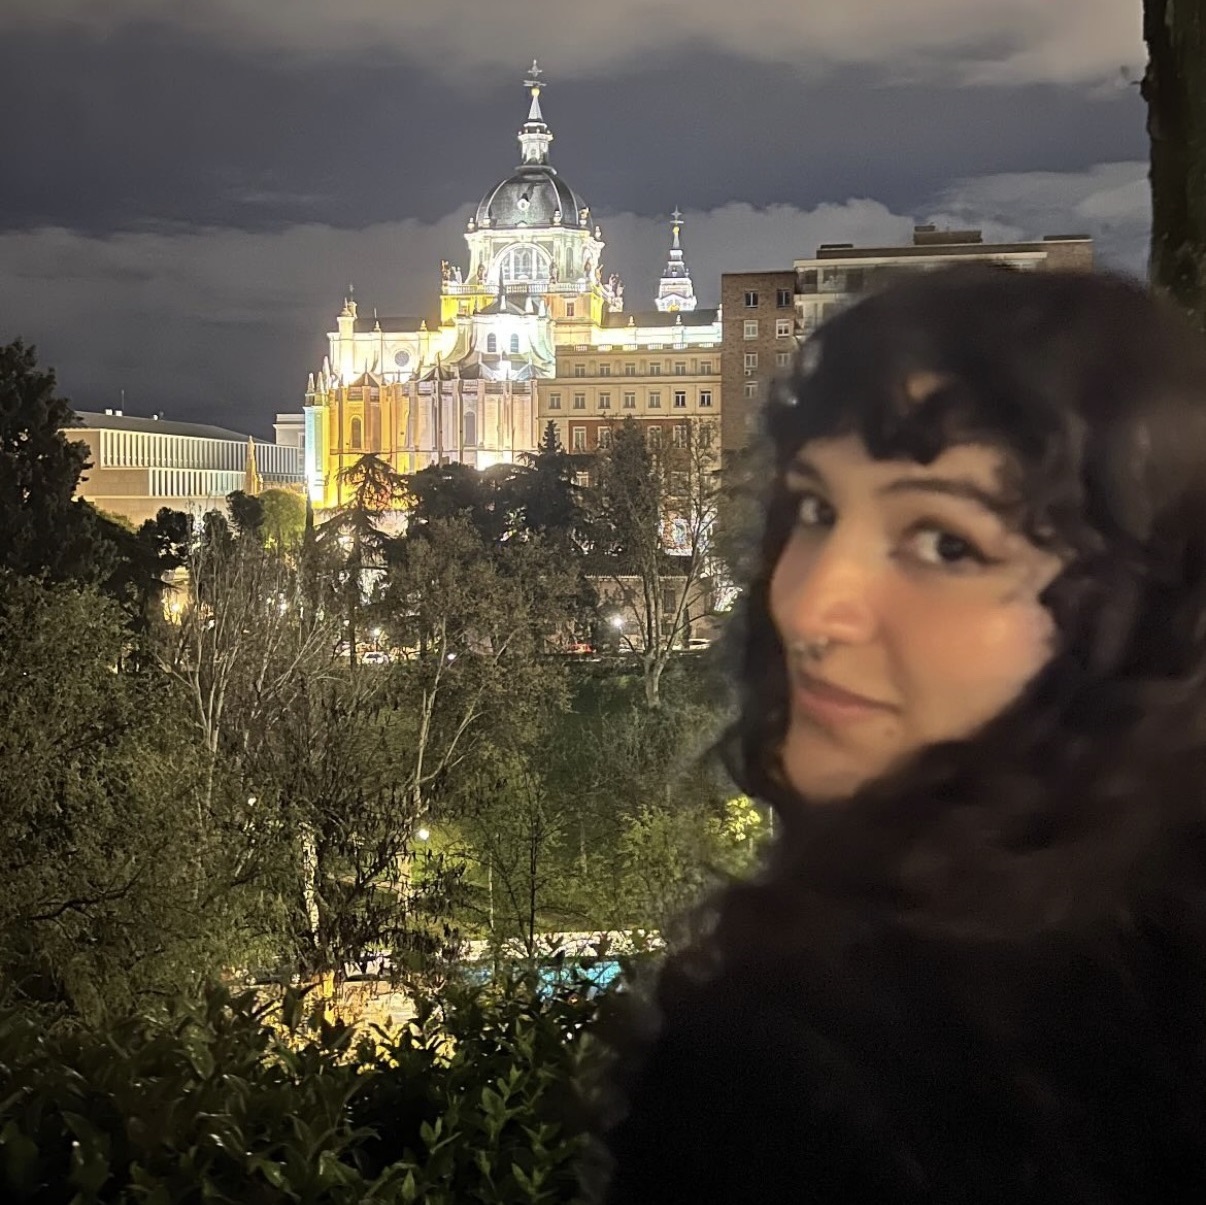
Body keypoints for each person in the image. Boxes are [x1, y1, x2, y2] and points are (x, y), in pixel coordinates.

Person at [599, 266, 1206, 1203]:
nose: (808, 606)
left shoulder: (801, 1070)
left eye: (945, 543)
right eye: (814, 509)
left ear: (1140, 608)